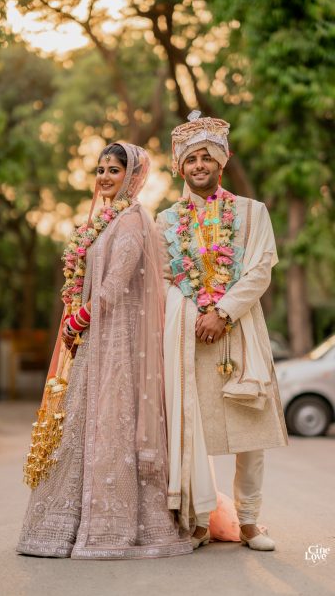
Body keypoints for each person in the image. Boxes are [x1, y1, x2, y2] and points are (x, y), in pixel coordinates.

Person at [16, 142, 192, 560]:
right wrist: (78, 319)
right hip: (97, 336)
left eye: (114, 169)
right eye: (100, 169)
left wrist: (77, 319)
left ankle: (113, 525)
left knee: (111, 421)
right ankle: (65, 524)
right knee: (81, 423)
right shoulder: (104, 221)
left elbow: (115, 284)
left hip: (118, 342)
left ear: (132, 176)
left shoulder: (132, 220)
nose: (105, 177)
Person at [157, 113, 287, 551]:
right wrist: (191, 311)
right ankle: (199, 521)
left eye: (206, 157)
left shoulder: (252, 212)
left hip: (240, 330)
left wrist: (223, 312)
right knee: (194, 429)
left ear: (221, 161)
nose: (199, 165)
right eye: (191, 159)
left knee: (250, 428)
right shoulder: (165, 220)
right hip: (189, 337)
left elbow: (260, 270)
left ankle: (249, 522)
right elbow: (162, 278)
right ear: (180, 166)